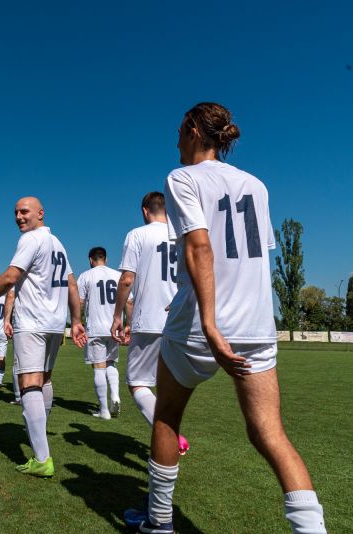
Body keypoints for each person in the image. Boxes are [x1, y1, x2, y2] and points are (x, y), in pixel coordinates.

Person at [123, 103, 325, 533]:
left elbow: (200, 247)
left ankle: (159, 522)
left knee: (166, 417)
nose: (176, 140)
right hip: (256, 325)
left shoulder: (182, 178)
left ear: (194, 130)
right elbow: (253, 260)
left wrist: (210, 323)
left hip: (199, 326)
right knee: (270, 434)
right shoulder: (257, 185)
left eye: (179, 131)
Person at [0, 196, 86, 478]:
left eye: (24, 212)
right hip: (54, 324)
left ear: (40, 213)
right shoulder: (58, 243)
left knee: (29, 383)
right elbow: (71, 284)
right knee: (44, 380)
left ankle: (41, 458)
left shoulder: (31, 239)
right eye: (16, 213)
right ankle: (40, 436)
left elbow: (10, 277)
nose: (19, 217)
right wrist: (76, 320)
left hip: (33, 322)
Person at [111, 192, 190, 454]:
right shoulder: (182, 234)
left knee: (137, 383)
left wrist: (119, 316)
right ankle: (169, 441)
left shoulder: (137, 234)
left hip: (150, 320)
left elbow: (126, 280)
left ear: (145, 211)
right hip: (180, 319)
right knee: (168, 385)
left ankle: (171, 433)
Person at [77, 247, 123, 419]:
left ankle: (104, 410)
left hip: (95, 328)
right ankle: (115, 396)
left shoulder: (85, 276)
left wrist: (77, 322)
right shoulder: (118, 275)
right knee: (111, 363)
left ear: (90, 260)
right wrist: (128, 324)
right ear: (106, 259)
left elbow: (80, 302)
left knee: (98, 367)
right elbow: (129, 301)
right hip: (114, 327)